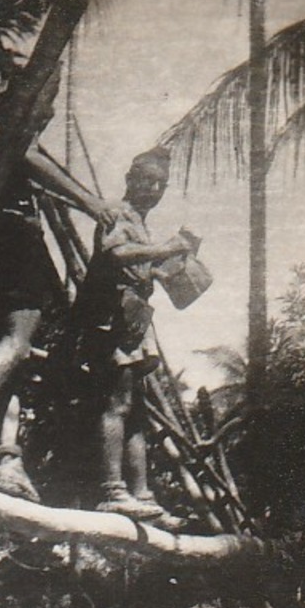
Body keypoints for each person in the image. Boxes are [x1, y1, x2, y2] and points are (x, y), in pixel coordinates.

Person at [0, 66, 124, 503]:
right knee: (17, 342)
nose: (49, 113)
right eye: (45, 102)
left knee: (10, 352)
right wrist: (91, 202)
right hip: (12, 239)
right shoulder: (8, 132)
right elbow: (25, 153)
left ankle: (7, 456)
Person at [77, 146, 197, 524]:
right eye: (148, 181)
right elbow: (114, 255)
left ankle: (142, 493)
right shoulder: (119, 214)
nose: (155, 189)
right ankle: (113, 489)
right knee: (118, 403)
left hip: (132, 323)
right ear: (131, 180)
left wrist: (166, 269)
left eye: (161, 184)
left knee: (137, 412)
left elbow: (139, 265)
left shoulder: (140, 223)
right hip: (111, 321)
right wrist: (163, 250)